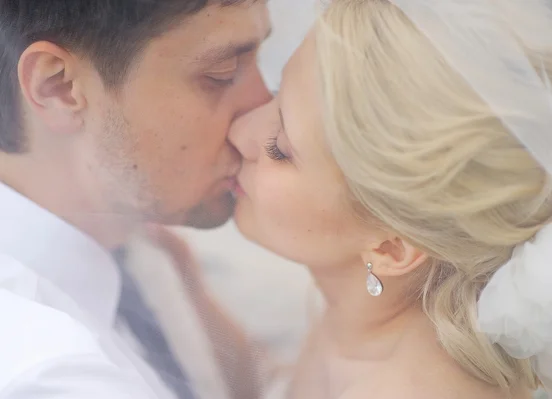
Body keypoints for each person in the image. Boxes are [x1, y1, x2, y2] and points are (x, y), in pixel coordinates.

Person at [228, 0, 552, 398]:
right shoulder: (365, 327)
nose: (240, 131)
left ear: (391, 248)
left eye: (280, 148)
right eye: (278, 93)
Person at [0, 1, 272, 398]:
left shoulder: (129, 231)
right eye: (220, 74)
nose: (264, 117)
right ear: (59, 88)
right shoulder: (44, 377)